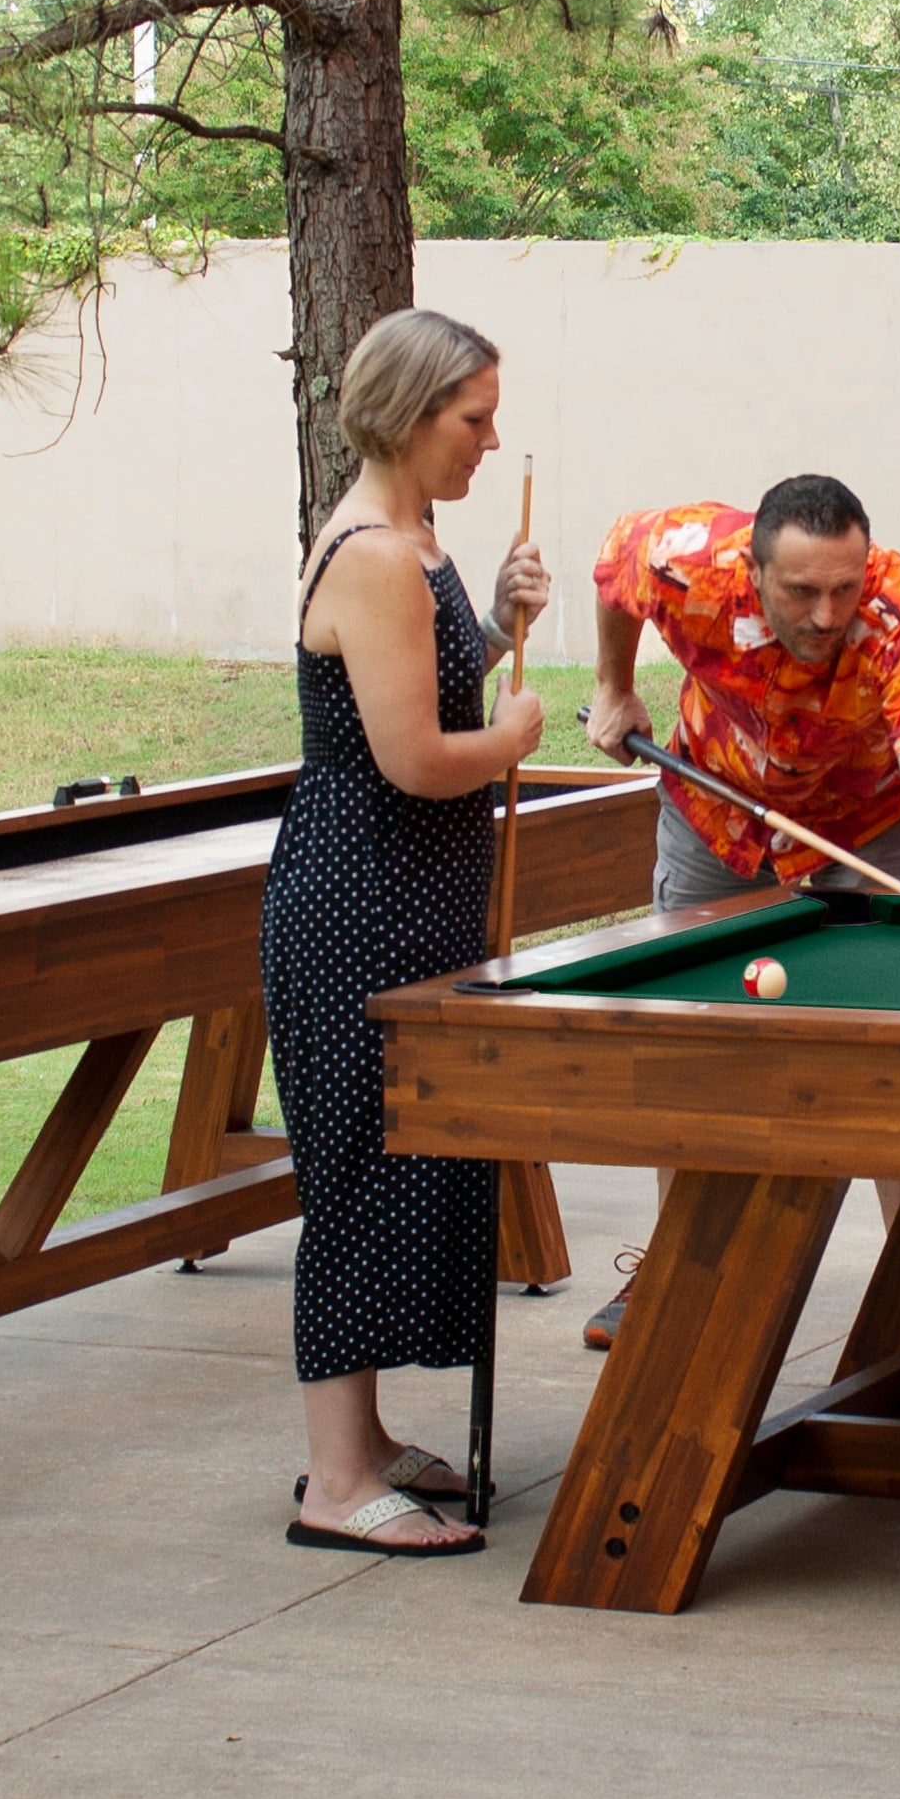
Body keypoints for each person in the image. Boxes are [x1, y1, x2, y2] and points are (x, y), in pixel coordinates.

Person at [260, 308, 550, 1555]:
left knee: (405, 1164)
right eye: (473, 417)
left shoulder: (415, 542)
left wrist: (488, 622)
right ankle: (334, 1483)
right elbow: (421, 756)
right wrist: (516, 738)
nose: (491, 440)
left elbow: (427, 678)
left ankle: (367, 1443)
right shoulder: (375, 552)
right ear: (412, 413)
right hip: (356, 899)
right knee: (356, 1174)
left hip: (404, 893)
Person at [579, 473, 900, 1348]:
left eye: (844, 585)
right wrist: (614, 686)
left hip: (871, 829)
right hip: (713, 814)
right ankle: (676, 1268)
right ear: (754, 571)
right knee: (689, 1039)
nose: (830, 611)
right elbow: (616, 565)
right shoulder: (690, 560)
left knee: (898, 1048)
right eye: (803, 590)